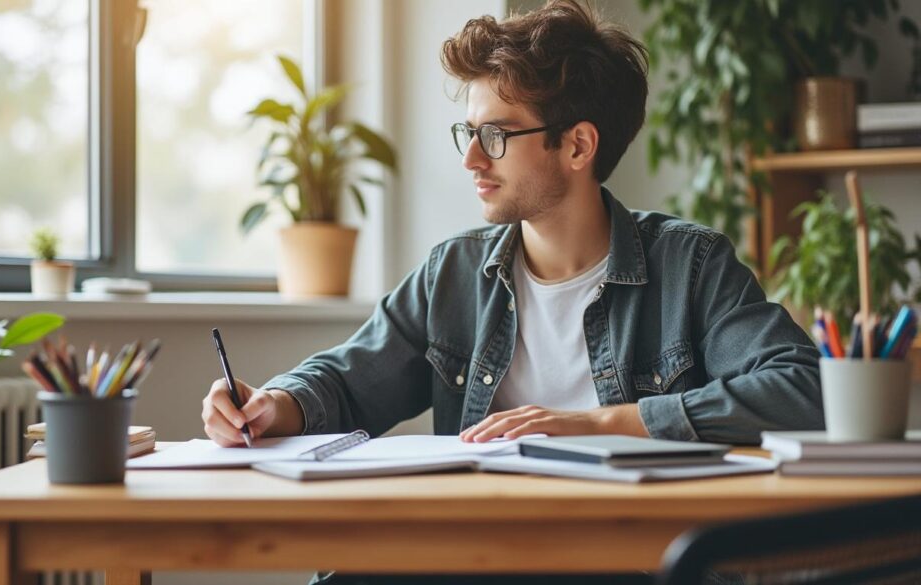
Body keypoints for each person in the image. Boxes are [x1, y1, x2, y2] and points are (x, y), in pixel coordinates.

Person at [202, 1, 823, 582]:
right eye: (467, 132)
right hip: (477, 557)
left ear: (578, 144)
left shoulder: (690, 266)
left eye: (496, 136)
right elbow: (345, 380)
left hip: (629, 562)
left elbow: (803, 390)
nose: (472, 158)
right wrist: (273, 404)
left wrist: (602, 424)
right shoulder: (454, 272)